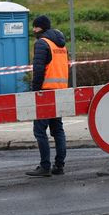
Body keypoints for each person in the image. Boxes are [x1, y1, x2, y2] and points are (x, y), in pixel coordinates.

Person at [26, 15, 69, 177]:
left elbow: (38, 70)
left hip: (45, 93)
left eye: (35, 27)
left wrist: (35, 91)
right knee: (57, 129)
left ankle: (45, 166)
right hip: (60, 91)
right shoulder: (61, 46)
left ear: (41, 28)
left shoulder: (42, 43)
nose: (33, 30)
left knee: (40, 131)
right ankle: (59, 165)